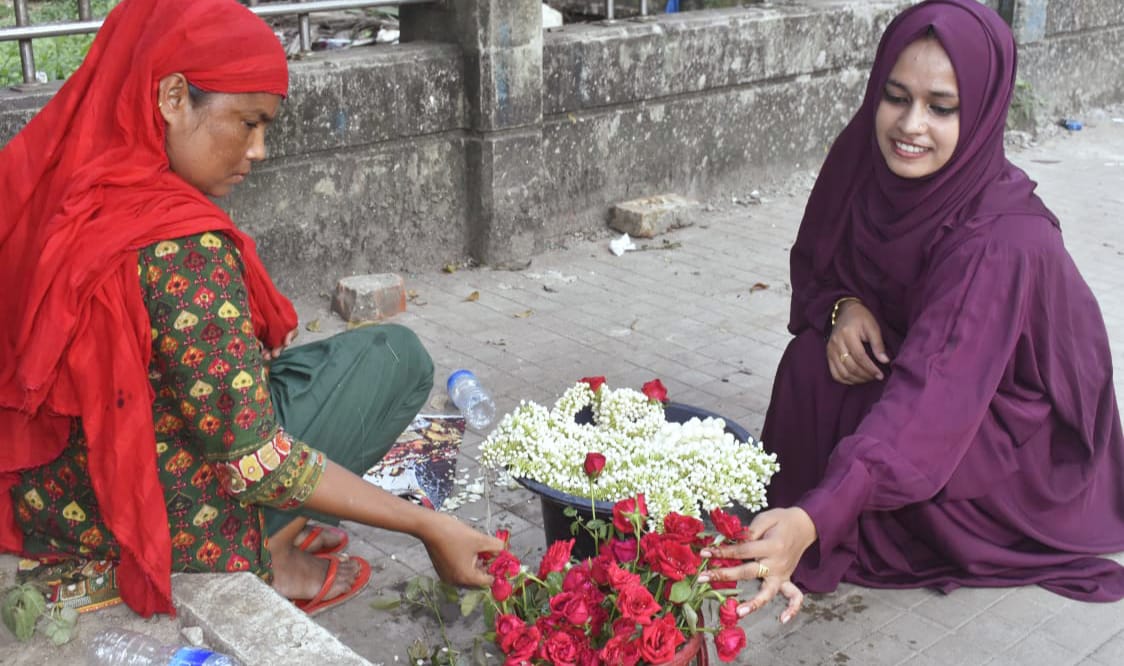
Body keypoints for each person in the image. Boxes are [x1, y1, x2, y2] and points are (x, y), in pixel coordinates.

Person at [0, 0, 502, 617]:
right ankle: (271, 551)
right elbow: (253, 460)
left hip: (56, 500)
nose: (259, 150)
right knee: (395, 357)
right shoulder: (181, 246)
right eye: (248, 122)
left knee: (323, 364)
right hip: (156, 512)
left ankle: (279, 528)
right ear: (173, 97)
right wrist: (427, 527)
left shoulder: (61, 183)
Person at [701, 0, 1124, 622]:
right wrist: (842, 307)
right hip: (926, 360)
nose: (911, 126)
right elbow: (818, 263)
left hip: (1013, 423)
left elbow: (932, 403)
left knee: (888, 472)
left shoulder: (998, 237)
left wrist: (815, 518)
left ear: (980, 112)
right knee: (812, 366)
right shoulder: (864, 160)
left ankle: (808, 521)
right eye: (896, 97)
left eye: (942, 107)